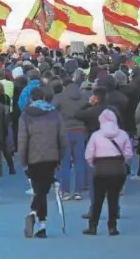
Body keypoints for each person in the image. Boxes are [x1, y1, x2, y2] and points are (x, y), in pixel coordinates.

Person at [19, 87, 66, 239]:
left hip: (33, 156)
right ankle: (41, 224)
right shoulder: (54, 113)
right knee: (43, 190)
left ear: (31, 98)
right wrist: (60, 156)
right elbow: (62, 138)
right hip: (51, 156)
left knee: (39, 189)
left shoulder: (26, 115)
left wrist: (23, 160)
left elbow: (23, 139)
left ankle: (36, 215)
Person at [83, 109, 132, 236]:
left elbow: (89, 154)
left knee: (98, 199)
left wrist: (93, 164)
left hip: (100, 169)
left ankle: (93, 226)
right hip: (117, 169)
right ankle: (112, 227)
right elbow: (128, 153)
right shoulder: (123, 134)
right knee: (114, 198)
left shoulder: (96, 135)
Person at [51, 70, 90, 200]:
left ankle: (65, 191)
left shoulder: (59, 97)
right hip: (80, 131)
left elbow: (51, 112)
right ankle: (78, 191)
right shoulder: (84, 97)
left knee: (65, 163)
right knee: (80, 161)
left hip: (65, 132)